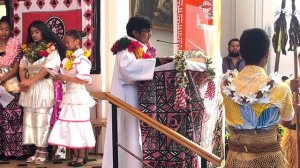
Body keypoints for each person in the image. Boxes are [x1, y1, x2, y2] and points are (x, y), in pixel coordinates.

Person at [102, 16, 172, 168]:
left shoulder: (140, 46)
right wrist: (157, 62)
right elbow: (128, 69)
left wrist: (157, 63)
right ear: (135, 32)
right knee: (128, 132)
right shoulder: (126, 47)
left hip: (136, 94)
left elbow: (143, 65)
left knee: (133, 133)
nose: (150, 34)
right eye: (147, 31)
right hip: (126, 96)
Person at [222, 28, 294, 167]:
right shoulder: (281, 89)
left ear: (241, 52)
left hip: (236, 161)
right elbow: (287, 121)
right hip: (270, 162)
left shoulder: (225, 85)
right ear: (267, 54)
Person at [19, 20, 65, 165]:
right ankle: (37, 150)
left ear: (44, 32)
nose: (34, 35)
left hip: (43, 86)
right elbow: (22, 67)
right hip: (30, 89)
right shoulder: (30, 48)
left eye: (37, 32)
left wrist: (30, 82)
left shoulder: (52, 49)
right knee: (31, 118)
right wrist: (23, 82)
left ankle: (44, 150)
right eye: (32, 32)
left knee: (43, 118)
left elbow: (47, 69)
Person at [48, 30, 96, 167]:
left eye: (67, 42)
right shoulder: (67, 59)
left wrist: (66, 77)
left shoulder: (82, 59)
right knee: (70, 126)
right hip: (68, 96)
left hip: (79, 98)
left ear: (77, 42)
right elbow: (66, 77)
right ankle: (75, 155)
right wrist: (58, 77)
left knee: (79, 125)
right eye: (65, 42)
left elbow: (85, 80)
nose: (66, 44)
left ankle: (81, 156)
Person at [0, 16, 35, 160]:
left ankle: (17, 151)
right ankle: (3, 151)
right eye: (1, 29)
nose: (3, 32)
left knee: (14, 118)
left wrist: (2, 79)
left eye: (7, 29)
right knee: (1, 120)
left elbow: (16, 68)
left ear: (11, 31)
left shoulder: (15, 44)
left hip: (11, 85)